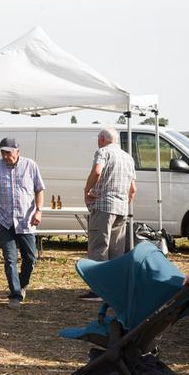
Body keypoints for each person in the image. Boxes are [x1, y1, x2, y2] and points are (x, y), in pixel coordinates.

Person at [0, 138, 45, 310]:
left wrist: (38, 210)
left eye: (8, 153)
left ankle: (22, 284)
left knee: (30, 258)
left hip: (26, 220)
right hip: (5, 221)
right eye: (3, 152)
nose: (5, 156)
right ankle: (15, 294)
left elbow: (39, 189)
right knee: (10, 259)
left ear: (18, 151)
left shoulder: (30, 166)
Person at [80, 127, 137, 301]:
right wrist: (125, 203)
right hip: (121, 208)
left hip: (104, 206)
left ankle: (98, 290)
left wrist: (87, 189)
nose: (98, 142)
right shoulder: (128, 157)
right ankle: (114, 289)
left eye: (99, 138)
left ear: (103, 139)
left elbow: (97, 171)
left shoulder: (103, 152)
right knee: (116, 250)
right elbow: (133, 189)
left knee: (99, 247)